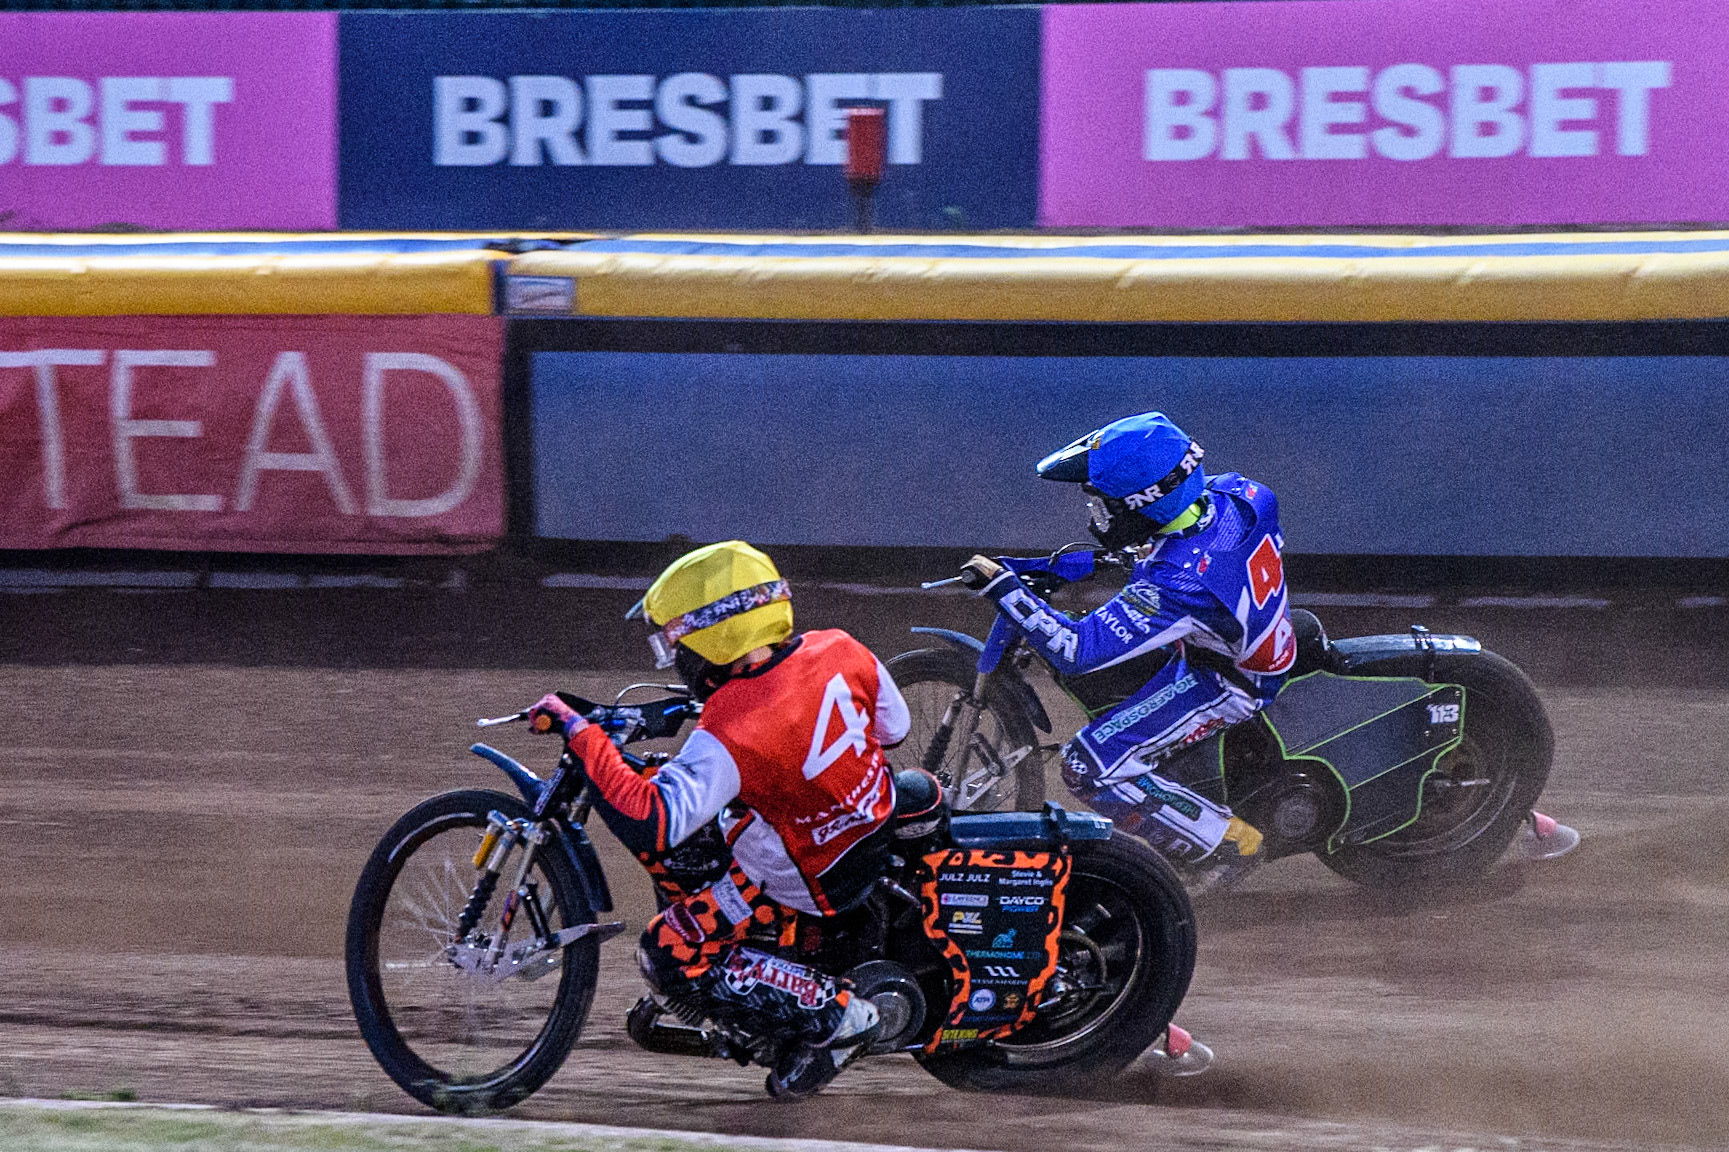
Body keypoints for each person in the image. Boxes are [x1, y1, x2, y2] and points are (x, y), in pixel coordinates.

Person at [526, 540, 910, 1097]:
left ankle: (839, 1017)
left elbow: (650, 820)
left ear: (715, 637)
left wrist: (582, 736)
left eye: (678, 640)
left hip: (805, 878)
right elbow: (893, 730)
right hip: (871, 826)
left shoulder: (732, 727)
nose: (675, 656)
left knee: (666, 952)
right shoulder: (841, 646)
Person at [956, 412, 1295, 887]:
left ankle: (1230, 843)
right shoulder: (1244, 495)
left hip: (1229, 679)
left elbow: (1074, 650)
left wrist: (1006, 590)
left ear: (1141, 504)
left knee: (1086, 766)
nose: (1097, 515)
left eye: (1103, 505)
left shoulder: (1175, 582)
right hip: (1248, 635)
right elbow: (1181, 533)